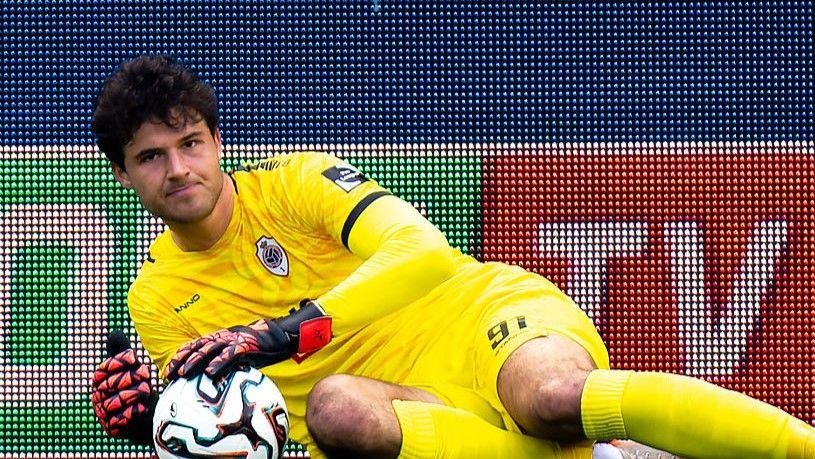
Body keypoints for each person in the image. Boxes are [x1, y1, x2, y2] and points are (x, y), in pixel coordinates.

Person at [89, 54, 815, 459]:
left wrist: (290, 330)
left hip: (477, 321)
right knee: (339, 411)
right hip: (406, 412)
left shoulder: (297, 183)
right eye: (151, 156)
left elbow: (423, 252)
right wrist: (160, 421)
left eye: (190, 143)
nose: (178, 169)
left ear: (217, 141)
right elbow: (248, 433)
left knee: (552, 399)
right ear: (123, 174)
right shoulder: (156, 298)